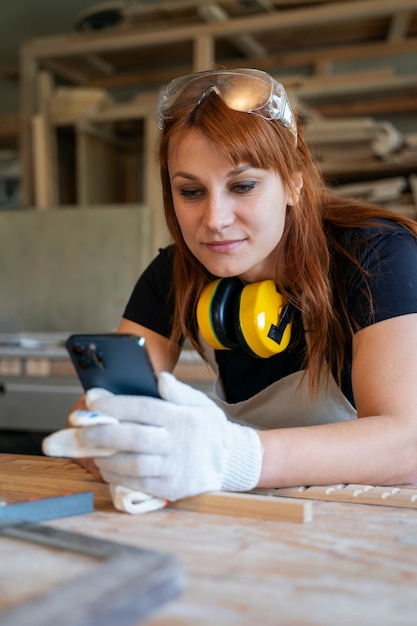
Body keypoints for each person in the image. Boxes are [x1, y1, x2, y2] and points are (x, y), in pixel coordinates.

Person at [45, 68, 417, 503]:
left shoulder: (377, 255)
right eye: (191, 192)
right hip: (248, 509)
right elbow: (96, 409)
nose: (215, 220)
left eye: (242, 186)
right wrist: (113, 443)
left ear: (294, 181)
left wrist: (230, 457)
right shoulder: (175, 272)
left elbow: (406, 442)